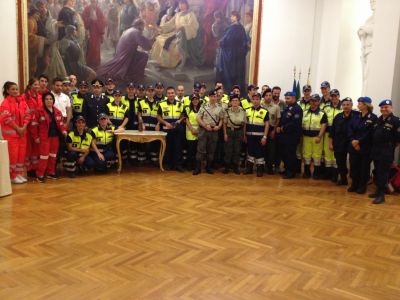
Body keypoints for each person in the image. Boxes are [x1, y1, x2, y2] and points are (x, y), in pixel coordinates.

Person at [97, 18, 153, 84]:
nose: (143, 28)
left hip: (122, 53)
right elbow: (146, 46)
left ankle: (131, 72)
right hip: (125, 55)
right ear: (140, 25)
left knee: (140, 55)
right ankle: (136, 75)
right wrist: (153, 38)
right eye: (143, 26)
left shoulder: (130, 30)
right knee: (144, 56)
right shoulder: (136, 32)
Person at [151, 0, 203, 69]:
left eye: (182, 4)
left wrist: (183, 28)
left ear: (186, 5)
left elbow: (194, 25)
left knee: (172, 43)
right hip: (175, 33)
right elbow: (170, 24)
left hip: (184, 35)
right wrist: (159, 28)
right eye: (180, 4)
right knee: (160, 39)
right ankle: (160, 62)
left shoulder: (190, 14)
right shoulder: (177, 14)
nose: (181, 6)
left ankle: (169, 63)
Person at [31, 92, 68, 183]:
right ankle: (40, 174)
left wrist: (63, 130)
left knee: (53, 156)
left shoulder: (57, 111)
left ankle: (51, 172)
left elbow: (61, 123)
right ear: (43, 101)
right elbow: (33, 126)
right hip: (44, 138)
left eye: (50, 99)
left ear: (53, 100)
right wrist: (36, 137)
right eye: (47, 99)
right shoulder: (38, 111)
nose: (49, 101)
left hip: (55, 137)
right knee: (44, 156)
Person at [0, 82, 32, 184]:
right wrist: (18, 129)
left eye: (16, 89)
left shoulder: (21, 101)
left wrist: (24, 127)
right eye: (12, 89)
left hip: (22, 134)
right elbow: (6, 119)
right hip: (11, 136)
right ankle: (12, 176)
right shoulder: (5, 103)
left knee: (21, 155)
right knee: (13, 156)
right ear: (8, 91)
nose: (15, 91)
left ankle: (18, 174)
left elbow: (28, 114)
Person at [369, 100, 400, 204]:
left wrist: (390, 147)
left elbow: (398, 139)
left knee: (383, 174)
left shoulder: (396, 120)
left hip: (386, 151)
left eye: (386, 107)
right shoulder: (379, 119)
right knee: (377, 172)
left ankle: (381, 196)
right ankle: (377, 191)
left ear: (391, 108)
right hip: (376, 150)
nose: (384, 109)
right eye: (382, 107)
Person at [348, 97, 378, 194]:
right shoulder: (356, 116)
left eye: (360, 103)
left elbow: (370, 133)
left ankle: (362, 186)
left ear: (366, 105)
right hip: (354, 146)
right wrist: (353, 140)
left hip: (365, 147)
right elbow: (350, 129)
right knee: (353, 166)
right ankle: (354, 184)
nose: (358, 105)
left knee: (364, 167)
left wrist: (359, 141)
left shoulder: (373, 118)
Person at [193, 90, 224, 175]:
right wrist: (205, 125)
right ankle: (198, 168)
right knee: (200, 149)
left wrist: (219, 126)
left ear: (216, 97)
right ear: (209, 97)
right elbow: (198, 118)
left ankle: (208, 167)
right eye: (212, 96)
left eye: (215, 96)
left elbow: (222, 119)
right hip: (204, 130)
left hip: (214, 130)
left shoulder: (219, 108)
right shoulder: (203, 106)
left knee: (211, 150)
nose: (213, 98)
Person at [216, 10, 248, 93]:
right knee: (237, 73)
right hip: (239, 55)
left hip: (231, 54)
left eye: (232, 16)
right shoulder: (241, 27)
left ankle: (229, 89)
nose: (231, 17)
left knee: (228, 72)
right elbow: (244, 42)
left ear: (236, 17)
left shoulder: (233, 27)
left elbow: (227, 39)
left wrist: (221, 43)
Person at [330, 97, 357, 186]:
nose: (345, 106)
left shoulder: (358, 116)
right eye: (344, 105)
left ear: (351, 105)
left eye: (348, 104)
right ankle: (343, 179)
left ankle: (355, 182)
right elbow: (332, 132)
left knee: (353, 162)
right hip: (339, 143)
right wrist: (330, 143)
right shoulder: (338, 117)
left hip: (352, 143)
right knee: (340, 162)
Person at [157, 86, 185, 171]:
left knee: (178, 147)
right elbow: (158, 116)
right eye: (169, 93)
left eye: (172, 93)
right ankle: (168, 164)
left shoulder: (180, 104)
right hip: (166, 129)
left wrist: (179, 120)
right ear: (166, 94)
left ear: (175, 93)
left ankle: (178, 165)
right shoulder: (162, 104)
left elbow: (183, 115)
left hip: (177, 129)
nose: (171, 94)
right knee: (167, 148)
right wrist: (165, 123)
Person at [277, 91, 303, 179]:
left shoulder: (297, 109)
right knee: (284, 153)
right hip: (284, 136)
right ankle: (287, 169)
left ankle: (291, 172)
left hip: (292, 136)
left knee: (290, 154)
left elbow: (294, 123)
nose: (286, 100)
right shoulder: (287, 108)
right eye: (286, 98)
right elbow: (283, 119)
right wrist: (279, 126)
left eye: (288, 98)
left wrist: (283, 128)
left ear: (294, 98)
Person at [302, 94, 328, 179]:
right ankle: (307, 172)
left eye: (315, 101)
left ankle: (316, 173)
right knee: (306, 155)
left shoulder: (322, 113)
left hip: (316, 137)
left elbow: (324, 125)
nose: (313, 102)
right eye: (312, 101)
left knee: (317, 156)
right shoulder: (305, 112)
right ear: (310, 102)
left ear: (318, 102)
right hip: (306, 137)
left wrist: (319, 136)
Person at [244, 93, 269, 177]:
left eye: (257, 99)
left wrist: (265, 137)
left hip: (260, 137)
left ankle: (260, 169)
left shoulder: (264, 111)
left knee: (259, 153)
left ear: (260, 100)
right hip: (249, 136)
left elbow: (267, 125)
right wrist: (244, 135)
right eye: (253, 99)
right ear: (251, 100)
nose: (255, 101)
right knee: (250, 152)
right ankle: (249, 168)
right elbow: (245, 124)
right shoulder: (247, 110)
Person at [322, 89, 342, 181]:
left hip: (339, 135)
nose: (334, 98)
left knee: (336, 155)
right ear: (330, 97)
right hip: (327, 133)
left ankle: (335, 175)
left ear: (339, 96)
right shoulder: (326, 107)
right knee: (327, 154)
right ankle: (327, 173)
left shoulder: (343, 106)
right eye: (332, 96)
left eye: (336, 96)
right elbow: (323, 121)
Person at [223, 93, 246, 174]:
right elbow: (224, 124)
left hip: (239, 132)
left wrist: (244, 135)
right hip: (230, 131)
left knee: (237, 150)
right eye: (233, 101)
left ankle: (236, 166)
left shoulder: (243, 111)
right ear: (230, 102)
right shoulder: (227, 111)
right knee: (228, 150)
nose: (235, 102)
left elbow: (244, 124)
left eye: (236, 100)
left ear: (239, 102)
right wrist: (225, 134)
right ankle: (227, 166)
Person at [137, 85, 160, 163]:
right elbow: (139, 114)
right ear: (146, 92)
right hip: (144, 127)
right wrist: (141, 123)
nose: (150, 93)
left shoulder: (158, 103)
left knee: (154, 144)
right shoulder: (141, 102)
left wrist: (158, 124)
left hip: (154, 127)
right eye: (149, 91)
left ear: (154, 92)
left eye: (152, 91)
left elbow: (160, 115)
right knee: (142, 143)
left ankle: (153, 160)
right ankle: (141, 160)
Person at [82, 0, 107, 69]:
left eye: (95, 2)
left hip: (97, 33)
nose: (94, 3)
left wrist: (96, 20)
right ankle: (89, 65)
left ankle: (96, 65)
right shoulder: (86, 9)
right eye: (93, 2)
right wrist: (90, 19)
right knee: (90, 48)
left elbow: (103, 21)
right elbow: (83, 20)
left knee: (96, 49)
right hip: (89, 32)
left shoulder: (99, 9)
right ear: (91, 2)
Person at [261, 88, 280, 174]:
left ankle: (269, 167)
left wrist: (274, 130)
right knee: (262, 148)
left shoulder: (276, 107)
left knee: (271, 149)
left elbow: (278, 119)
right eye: (266, 95)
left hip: (272, 129)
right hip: (262, 129)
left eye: (270, 95)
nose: (268, 97)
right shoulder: (260, 105)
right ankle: (262, 166)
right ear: (264, 97)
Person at [182, 94, 201, 170]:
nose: (195, 101)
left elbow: (203, 119)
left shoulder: (202, 109)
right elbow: (186, 119)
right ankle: (189, 165)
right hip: (190, 133)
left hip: (199, 132)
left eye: (196, 99)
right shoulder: (187, 109)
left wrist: (198, 130)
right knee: (190, 150)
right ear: (191, 100)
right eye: (193, 99)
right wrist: (192, 129)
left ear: (199, 100)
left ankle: (196, 166)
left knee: (198, 151)